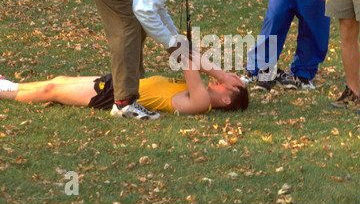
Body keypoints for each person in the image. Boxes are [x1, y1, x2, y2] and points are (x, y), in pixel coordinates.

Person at [80, 0, 243, 120]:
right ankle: (124, 104)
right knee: (128, 28)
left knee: (137, 28)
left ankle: (133, 88)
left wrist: (175, 39)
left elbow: (156, 7)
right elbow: (144, 10)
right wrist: (171, 43)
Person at [0, 67, 248, 116]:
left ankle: (4, 91)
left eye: (227, 84)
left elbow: (187, 60)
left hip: (114, 96)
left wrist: (218, 73)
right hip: (121, 81)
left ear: (226, 99)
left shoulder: (201, 101)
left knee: (50, 89)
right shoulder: (201, 90)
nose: (221, 79)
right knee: (59, 79)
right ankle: (7, 85)